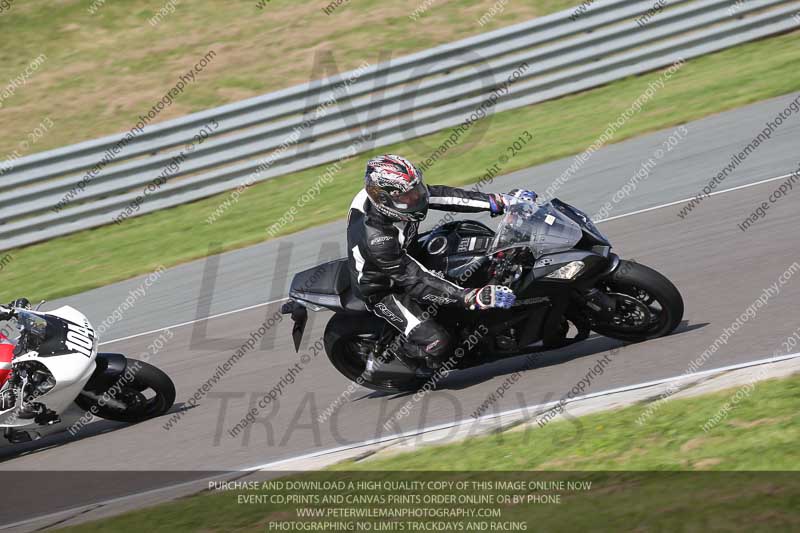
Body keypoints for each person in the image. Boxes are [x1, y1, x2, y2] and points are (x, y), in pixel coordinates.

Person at [346, 154, 535, 368]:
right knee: (439, 343)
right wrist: (470, 297)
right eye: (407, 196)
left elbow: (442, 196)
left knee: (470, 247)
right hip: (385, 288)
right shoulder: (378, 239)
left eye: (416, 189)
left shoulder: (390, 195)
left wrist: (498, 201)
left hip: (407, 253)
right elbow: (414, 281)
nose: (416, 198)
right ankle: (396, 354)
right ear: (385, 200)